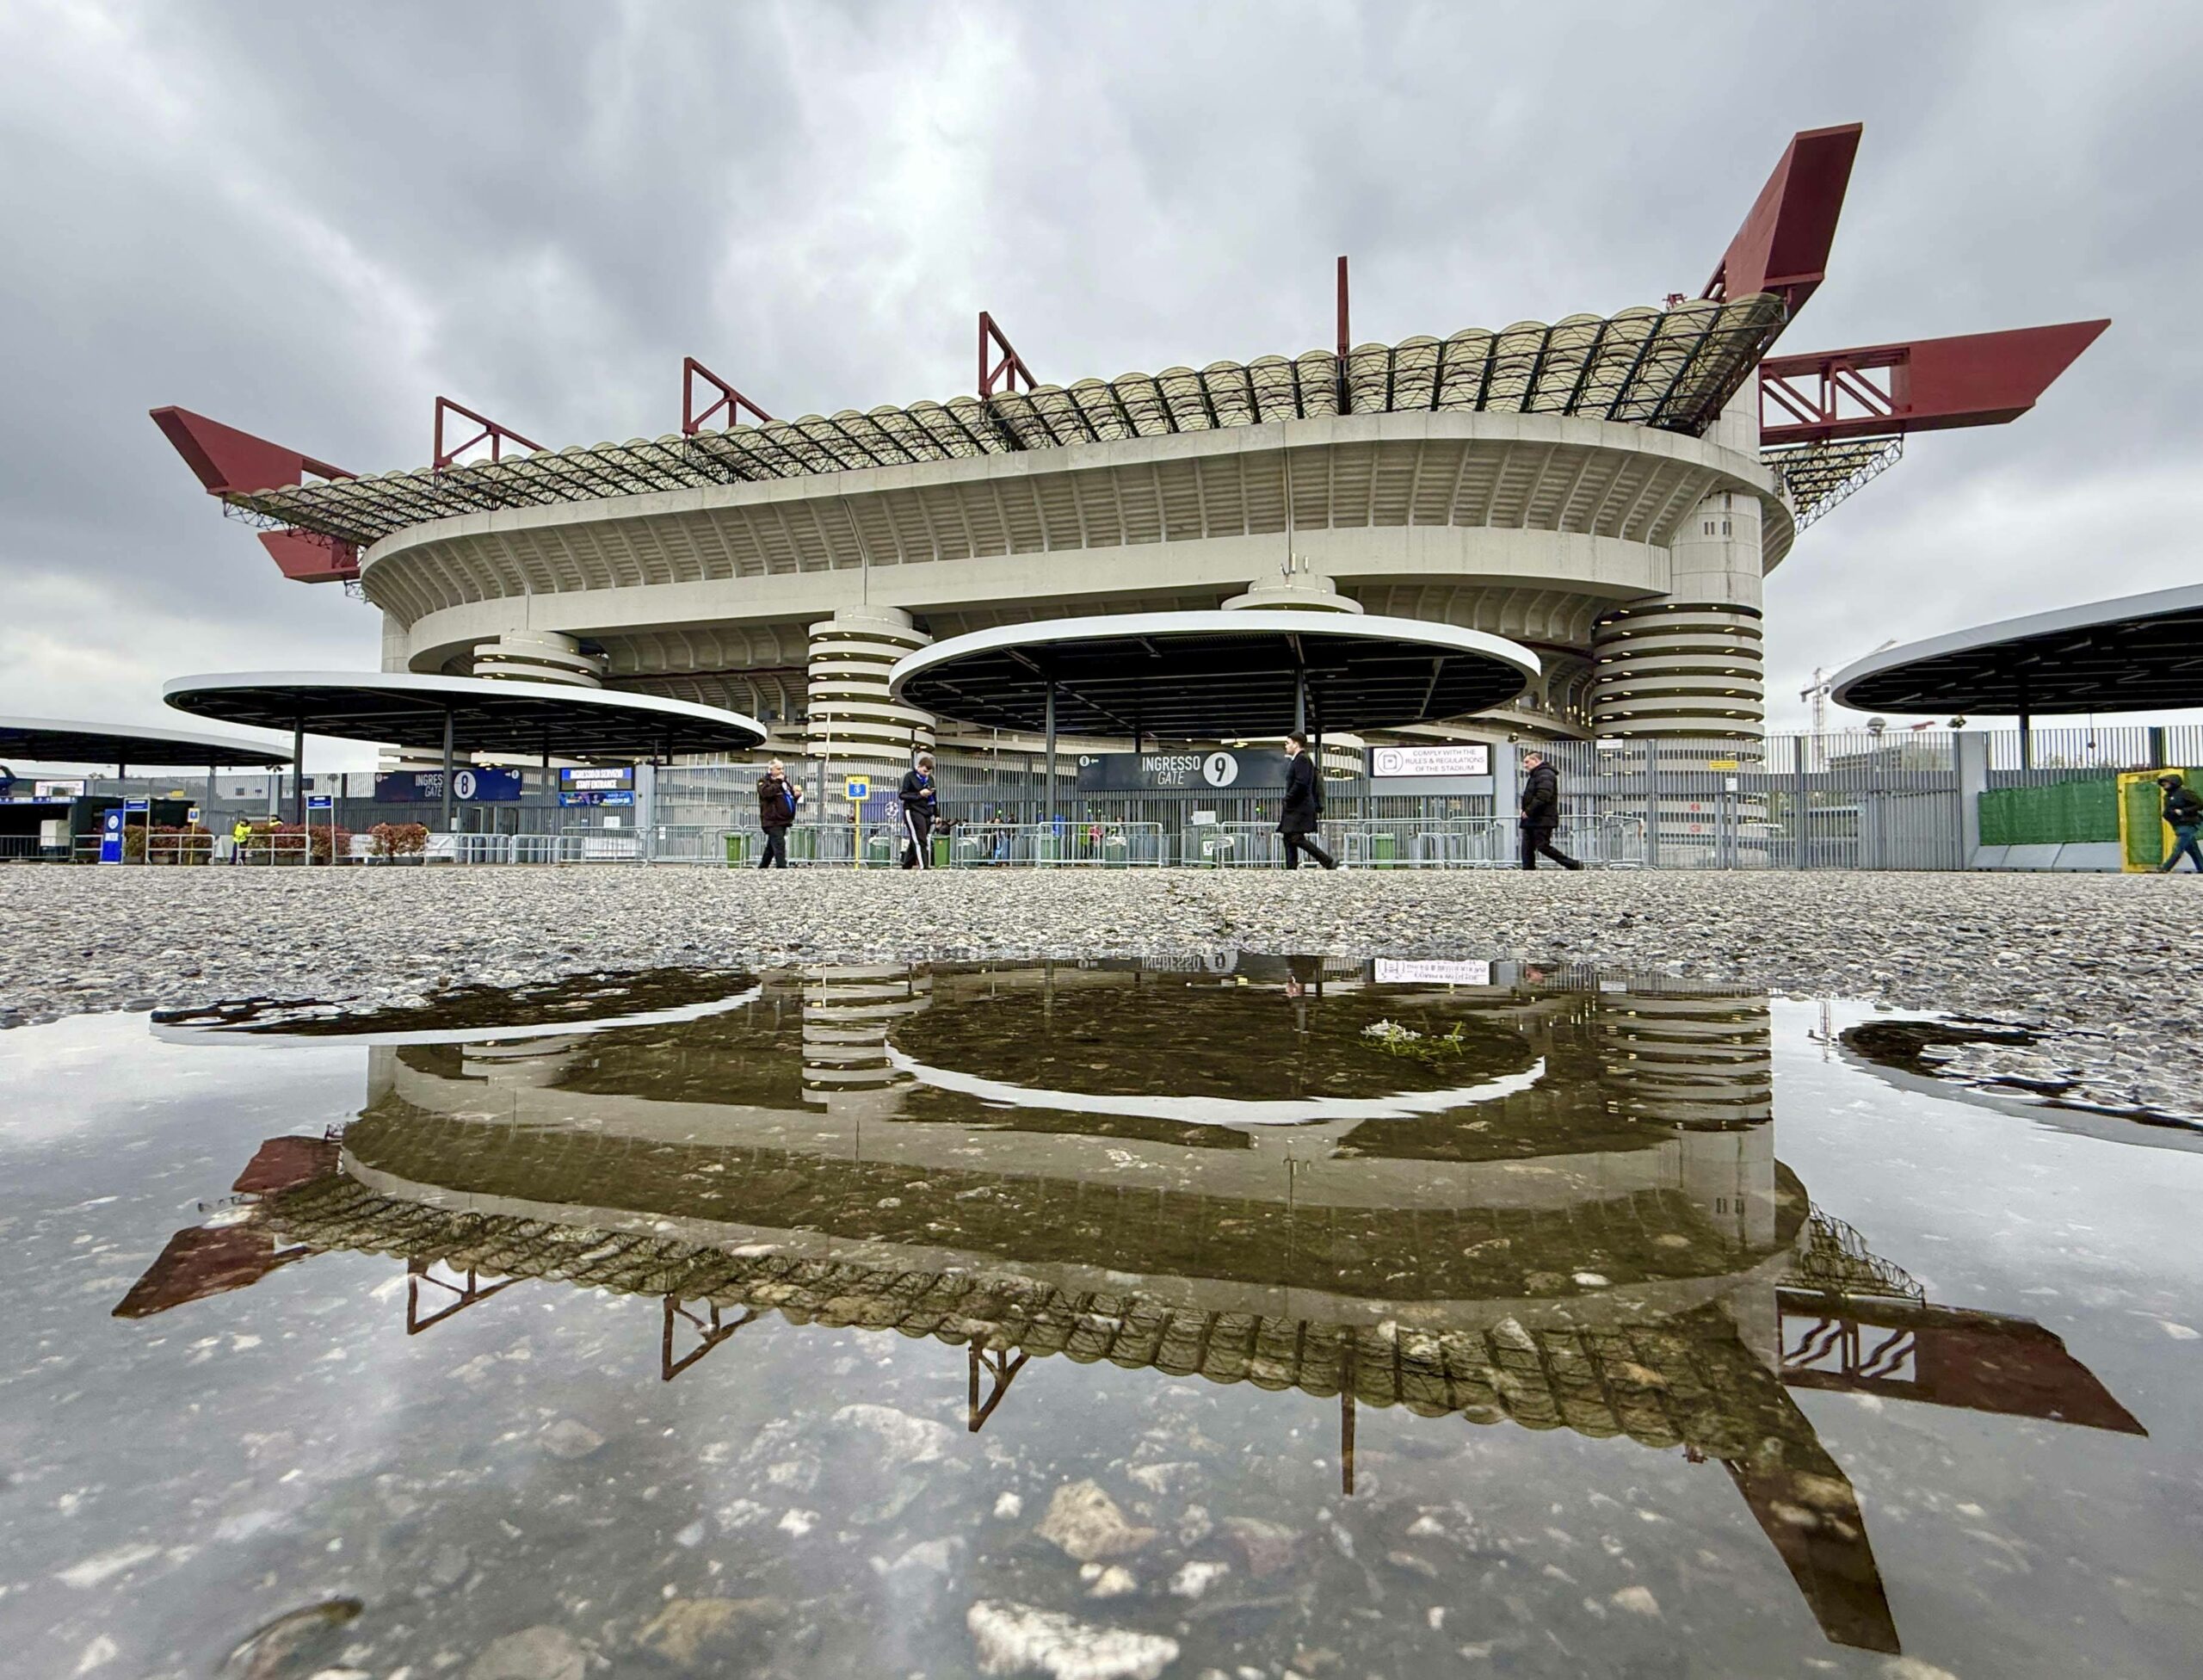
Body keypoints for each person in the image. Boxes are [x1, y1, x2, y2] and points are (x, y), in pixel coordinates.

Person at [1277, 735, 1337, 869]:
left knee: (1295, 837)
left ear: (1296, 744)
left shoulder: (1302, 760)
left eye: (1288, 743)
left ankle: (1327, 861)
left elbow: (1301, 783)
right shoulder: (1299, 760)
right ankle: (1291, 868)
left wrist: (1288, 798)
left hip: (1299, 807)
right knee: (1288, 836)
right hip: (1296, 806)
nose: (1285, 746)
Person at [1519, 750, 1583, 871]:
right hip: (1535, 817)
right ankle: (1528, 869)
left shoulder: (1544, 774)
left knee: (1542, 846)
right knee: (1527, 846)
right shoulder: (1538, 775)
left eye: (1527, 762)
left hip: (1541, 818)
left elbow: (1543, 795)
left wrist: (1529, 810)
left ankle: (1572, 864)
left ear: (1535, 760)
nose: (1525, 765)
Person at [754, 760, 802, 868]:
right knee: (779, 843)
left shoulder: (784, 783)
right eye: (779, 769)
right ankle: (782, 866)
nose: (781, 771)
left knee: (771, 846)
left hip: (783, 819)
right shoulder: (764, 781)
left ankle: (763, 866)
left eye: (782, 768)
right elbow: (766, 793)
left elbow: (789, 797)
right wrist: (778, 782)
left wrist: (796, 796)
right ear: (771, 770)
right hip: (773, 820)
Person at [898, 752, 938, 869]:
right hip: (912, 810)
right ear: (919, 767)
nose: (927, 774)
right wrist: (919, 794)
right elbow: (902, 795)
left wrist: (937, 814)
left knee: (917, 837)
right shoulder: (909, 777)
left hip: (927, 810)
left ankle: (907, 864)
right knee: (920, 839)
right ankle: (924, 865)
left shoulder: (930, 779)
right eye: (925, 771)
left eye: (929, 772)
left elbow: (934, 798)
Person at [2158, 773, 2203, 873]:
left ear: (2173, 782)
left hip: (2188, 823)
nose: (2164, 784)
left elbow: (2199, 805)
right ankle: (2202, 867)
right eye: (2163, 783)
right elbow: (2168, 810)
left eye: (2166, 782)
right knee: (2192, 849)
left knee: (2178, 847)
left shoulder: (2184, 792)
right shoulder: (2167, 796)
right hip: (2177, 825)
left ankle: (2166, 867)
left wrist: (2183, 811)